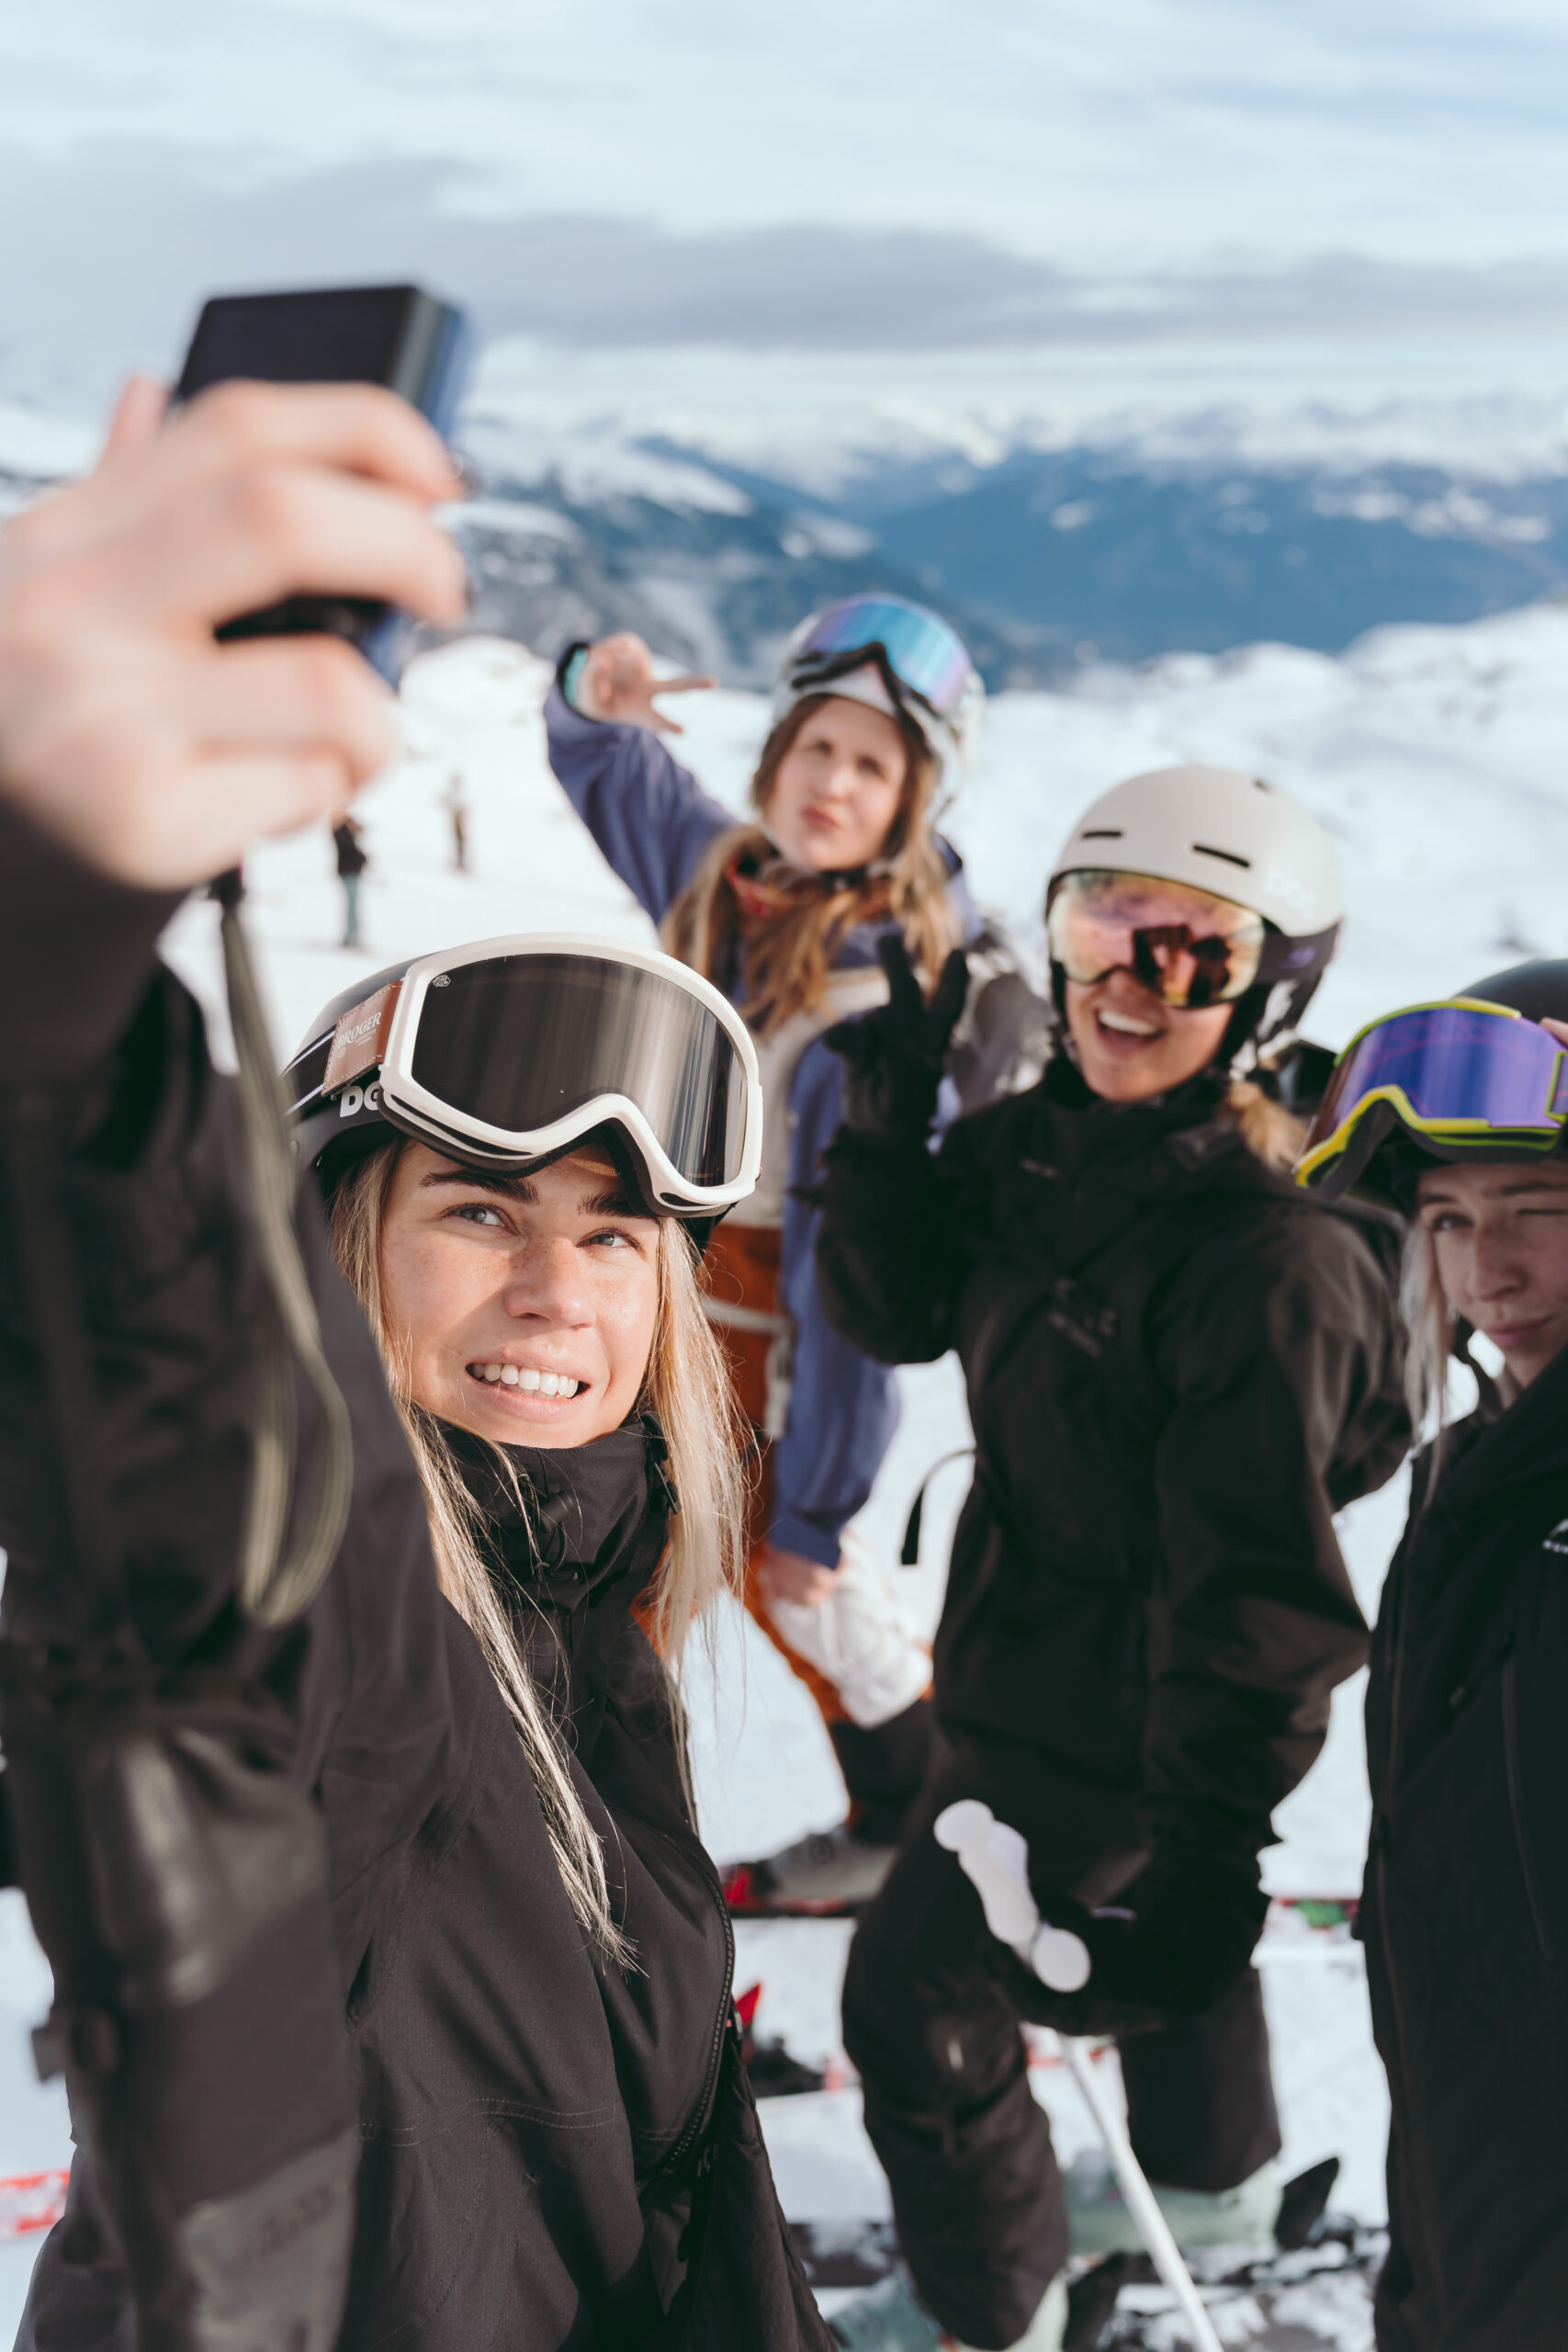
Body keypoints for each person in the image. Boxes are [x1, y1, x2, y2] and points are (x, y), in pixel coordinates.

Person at [0, 378, 831, 2350]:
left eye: (614, 1234)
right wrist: (48, 917)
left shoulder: (580, 1621)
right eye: (477, 1210)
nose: (557, 1290)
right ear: (339, 1249)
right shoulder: (346, 1629)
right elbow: (170, 1386)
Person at [814, 766, 1412, 2352]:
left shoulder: (1262, 1255)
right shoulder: (1044, 1144)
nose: (1124, 982)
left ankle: (983, 2307)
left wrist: (1206, 1832)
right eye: (1098, 926)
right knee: (1124, 1923)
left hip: (1120, 1704)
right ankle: (1209, 2180)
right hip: (1029, 1639)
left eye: (1191, 951)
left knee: (914, 2000)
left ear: (1270, 992)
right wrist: (886, 1123)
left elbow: (1255, 1591)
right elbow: (895, 1309)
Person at [545, 605, 1045, 1905]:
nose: (832, 783)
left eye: (872, 766)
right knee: (619, 1582)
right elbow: (611, 772)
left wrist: (819, 1499)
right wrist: (592, 694)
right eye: (816, 746)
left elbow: (845, 1302)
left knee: (763, 1581)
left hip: (758, 1365)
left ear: (913, 803)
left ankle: (900, 1818)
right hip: (660, 1314)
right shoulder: (725, 884)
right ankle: (572, 1830)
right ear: (774, 754)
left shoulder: (874, 1014)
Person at [1297, 965, 1568, 2351]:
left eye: (1540, 1212)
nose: (1486, 1273)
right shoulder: (1472, 1474)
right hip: (1462, 2177)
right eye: (1450, 1219)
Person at [333, 808, 367, 945]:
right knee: (351, 905)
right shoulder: (339, 830)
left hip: (352, 871)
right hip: (348, 871)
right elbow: (349, 850)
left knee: (353, 905)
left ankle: (353, 935)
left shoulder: (346, 828)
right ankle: (351, 936)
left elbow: (362, 830)